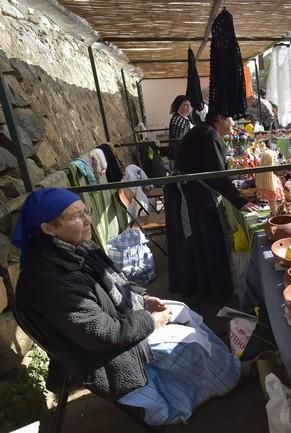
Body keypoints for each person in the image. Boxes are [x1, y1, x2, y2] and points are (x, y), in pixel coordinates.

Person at [12, 188, 241, 425]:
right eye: (76, 217)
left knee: (182, 310)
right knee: (188, 341)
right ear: (48, 229)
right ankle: (227, 377)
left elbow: (117, 279)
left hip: (119, 319)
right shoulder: (50, 281)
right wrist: (151, 321)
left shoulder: (77, 247)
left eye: (85, 211)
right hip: (100, 354)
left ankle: (222, 368)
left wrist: (143, 298)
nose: (88, 220)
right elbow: (104, 335)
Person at [165, 109, 259, 302]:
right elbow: (219, 177)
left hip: (192, 193)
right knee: (206, 243)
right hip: (194, 198)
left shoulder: (205, 131)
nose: (233, 123)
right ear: (219, 118)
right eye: (231, 117)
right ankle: (211, 292)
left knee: (201, 245)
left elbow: (215, 170)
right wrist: (241, 202)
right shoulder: (209, 135)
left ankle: (205, 288)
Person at [168, 95, 194, 169]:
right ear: (178, 106)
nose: (189, 107)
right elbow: (177, 141)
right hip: (181, 156)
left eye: (190, 104)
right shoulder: (178, 120)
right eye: (186, 105)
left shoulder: (187, 118)